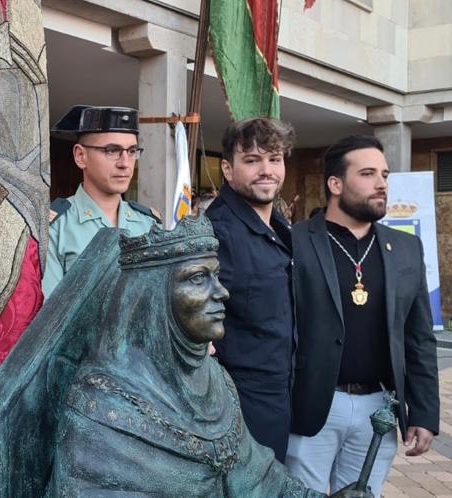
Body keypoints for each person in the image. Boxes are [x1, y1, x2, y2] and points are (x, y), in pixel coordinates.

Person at [47, 216, 332, 497]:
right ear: (155, 295)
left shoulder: (216, 381)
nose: (221, 292)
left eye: (216, 275)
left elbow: (260, 479)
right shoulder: (101, 406)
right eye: (197, 278)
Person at [287, 134, 439, 493]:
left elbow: (418, 338)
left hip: (379, 410)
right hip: (312, 407)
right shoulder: (294, 241)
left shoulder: (405, 247)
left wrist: (424, 414)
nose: (382, 183)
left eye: (384, 174)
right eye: (368, 173)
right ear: (335, 183)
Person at [205, 118, 296, 462]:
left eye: (274, 159)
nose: (266, 170)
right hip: (238, 406)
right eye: (252, 160)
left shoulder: (281, 227)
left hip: (284, 398)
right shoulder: (213, 232)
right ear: (228, 169)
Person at [43, 105, 160, 296]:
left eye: (131, 151)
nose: (124, 163)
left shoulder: (150, 223)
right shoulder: (56, 228)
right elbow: (52, 316)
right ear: (81, 156)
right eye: (112, 150)